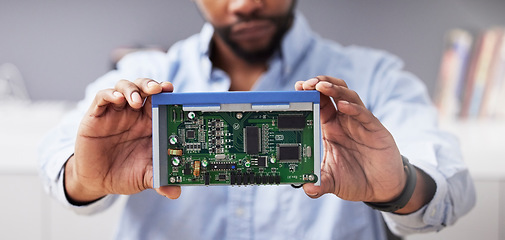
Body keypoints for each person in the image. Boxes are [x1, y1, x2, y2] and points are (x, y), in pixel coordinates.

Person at [39, 0, 476, 239]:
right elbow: (58, 161)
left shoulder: (376, 78)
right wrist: (85, 176)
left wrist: (397, 185)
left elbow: (453, 185)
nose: (246, 4)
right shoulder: (138, 77)